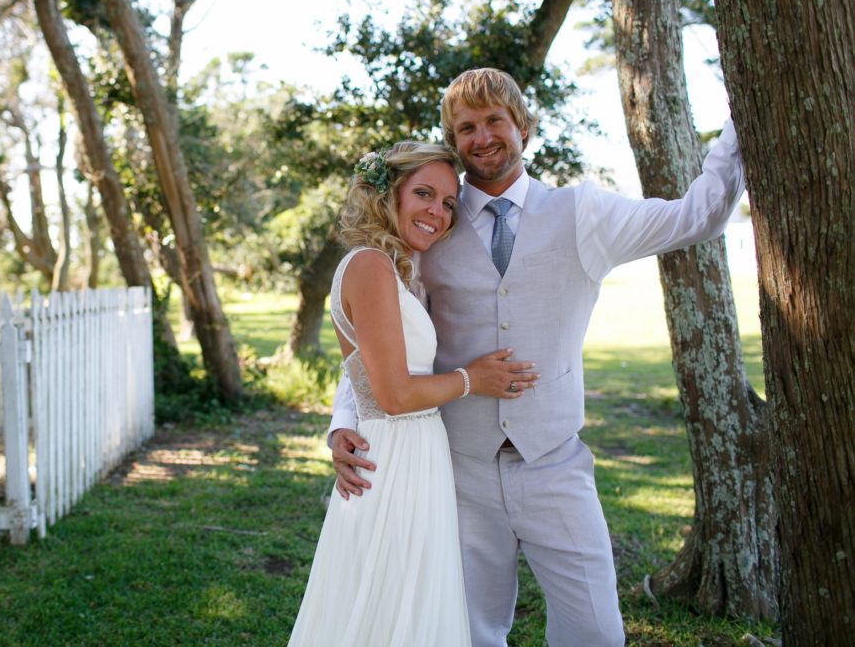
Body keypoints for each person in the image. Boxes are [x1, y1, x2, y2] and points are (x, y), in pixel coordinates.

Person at [328, 68, 745, 647]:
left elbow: (698, 215)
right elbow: (380, 337)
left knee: (596, 632)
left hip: (554, 462)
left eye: (494, 121)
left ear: (522, 126)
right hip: (456, 467)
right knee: (468, 631)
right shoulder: (429, 222)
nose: (482, 138)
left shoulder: (583, 213)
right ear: (454, 141)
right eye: (466, 128)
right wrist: (343, 422)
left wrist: (741, 117)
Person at [288, 140, 539, 647]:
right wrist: (472, 379)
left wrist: (342, 424)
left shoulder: (397, 268)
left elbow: (366, 370)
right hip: (395, 457)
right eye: (424, 193)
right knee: (389, 604)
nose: (437, 212)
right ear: (389, 194)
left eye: (447, 203)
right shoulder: (370, 266)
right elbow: (394, 395)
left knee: (406, 603)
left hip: (417, 453)